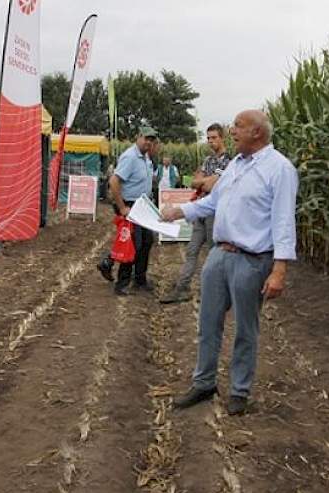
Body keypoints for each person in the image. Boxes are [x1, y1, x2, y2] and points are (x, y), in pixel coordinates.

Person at [161, 110, 298, 416]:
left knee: (245, 329)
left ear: (258, 133)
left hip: (252, 260)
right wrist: (179, 211)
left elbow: (284, 221)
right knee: (207, 322)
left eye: (238, 126)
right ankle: (204, 382)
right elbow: (212, 202)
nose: (231, 130)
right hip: (219, 255)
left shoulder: (280, 169)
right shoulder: (236, 164)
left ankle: (239, 390)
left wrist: (279, 269)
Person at [159, 123, 232, 304]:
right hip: (200, 210)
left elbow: (210, 185)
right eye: (208, 138)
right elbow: (194, 182)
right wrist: (203, 181)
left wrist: (203, 180)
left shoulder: (229, 161)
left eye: (214, 138)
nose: (210, 141)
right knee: (192, 251)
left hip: (216, 212)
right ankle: (181, 289)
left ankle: (219, 291)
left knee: (214, 252)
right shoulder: (208, 160)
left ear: (222, 138)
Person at [97, 126, 158, 295]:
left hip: (142, 205)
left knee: (146, 241)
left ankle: (139, 279)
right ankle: (122, 283)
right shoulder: (130, 157)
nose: (148, 142)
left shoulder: (146, 158)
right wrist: (122, 207)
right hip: (130, 205)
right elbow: (114, 181)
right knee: (132, 244)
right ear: (138, 137)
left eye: (151, 140)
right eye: (146, 138)